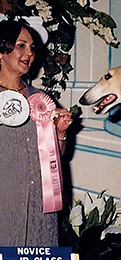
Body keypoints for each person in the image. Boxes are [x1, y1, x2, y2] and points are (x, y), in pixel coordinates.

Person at [0, 18, 73, 246]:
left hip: (40, 205)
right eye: (21, 45)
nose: (29, 53)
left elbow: (57, 156)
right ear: (2, 51)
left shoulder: (40, 99)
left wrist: (60, 134)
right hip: (5, 201)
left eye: (32, 47)